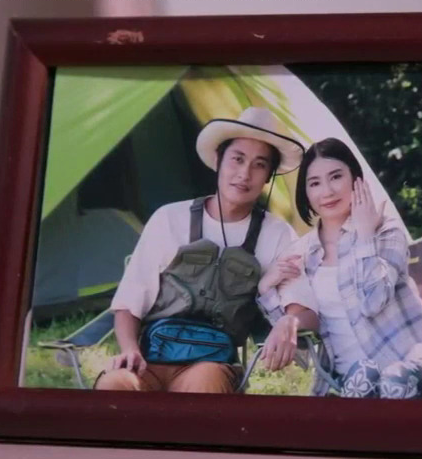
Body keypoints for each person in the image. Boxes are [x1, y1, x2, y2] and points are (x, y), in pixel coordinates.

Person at [94, 107, 319, 394]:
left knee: (203, 386)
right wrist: (129, 350)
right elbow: (129, 303)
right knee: (114, 385)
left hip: (213, 366)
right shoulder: (169, 218)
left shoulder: (277, 234)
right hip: (149, 361)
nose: (244, 174)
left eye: (259, 164)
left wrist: (290, 320)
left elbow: (305, 308)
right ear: (218, 161)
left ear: (268, 176)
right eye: (237, 159)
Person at [258, 137, 422, 399]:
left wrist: (365, 236)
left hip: (418, 361)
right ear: (306, 193)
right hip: (355, 379)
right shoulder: (302, 253)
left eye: (336, 177)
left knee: (394, 380)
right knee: (364, 378)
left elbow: (373, 302)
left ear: (356, 180)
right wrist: (267, 288)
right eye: (315, 183)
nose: (327, 191)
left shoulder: (385, 231)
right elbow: (298, 336)